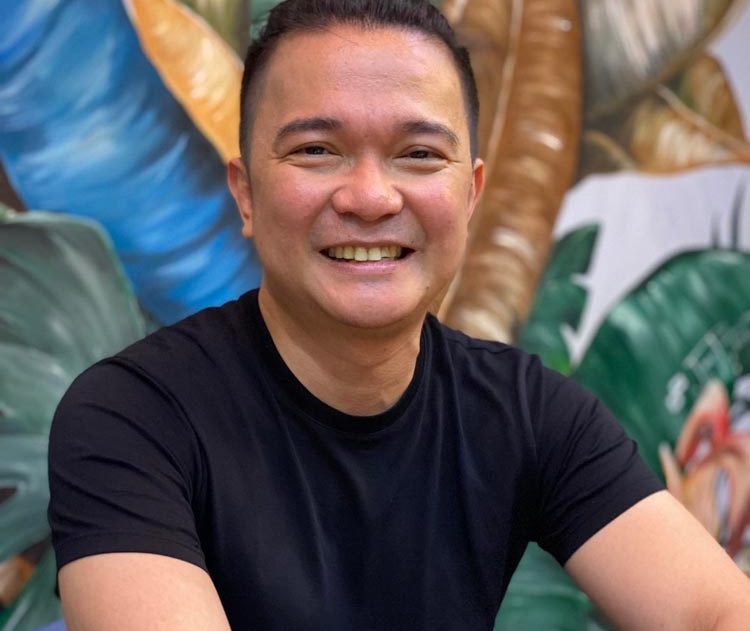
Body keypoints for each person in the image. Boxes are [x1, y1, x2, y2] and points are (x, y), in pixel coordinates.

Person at [48, 0, 750, 629]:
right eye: (317, 150)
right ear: (247, 193)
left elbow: (717, 610)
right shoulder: (133, 415)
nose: (371, 196)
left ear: (471, 194)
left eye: (418, 154)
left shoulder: (528, 411)